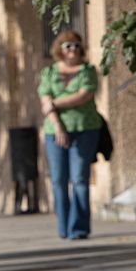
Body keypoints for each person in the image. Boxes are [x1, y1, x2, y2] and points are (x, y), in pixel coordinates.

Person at [38, 29, 101, 241]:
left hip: (84, 128)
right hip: (54, 131)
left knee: (79, 179)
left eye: (76, 45)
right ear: (60, 50)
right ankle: (63, 227)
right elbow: (44, 101)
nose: (73, 49)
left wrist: (54, 103)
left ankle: (79, 228)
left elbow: (84, 95)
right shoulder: (49, 73)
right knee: (58, 180)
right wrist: (58, 127)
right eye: (68, 46)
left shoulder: (87, 71)